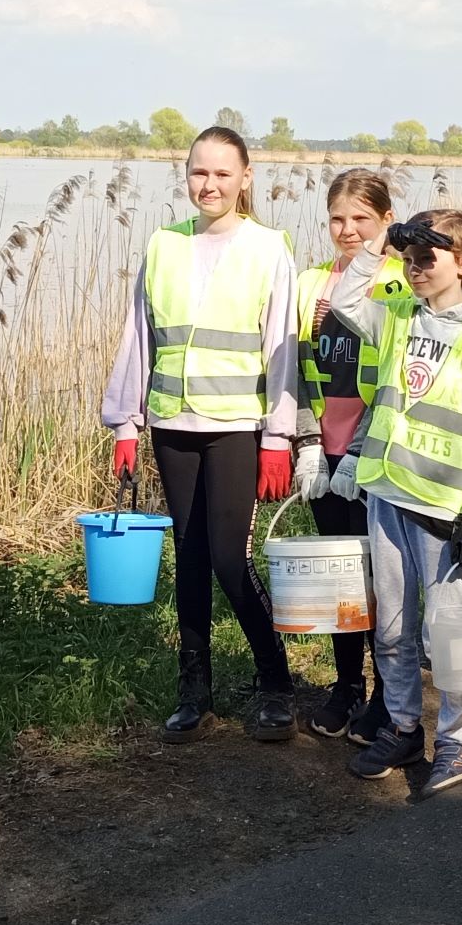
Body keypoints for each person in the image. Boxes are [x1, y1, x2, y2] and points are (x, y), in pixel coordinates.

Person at [101, 125, 300, 744]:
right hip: (172, 423)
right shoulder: (162, 245)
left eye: (221, 173)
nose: (208, 185)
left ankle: (274, 683)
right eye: (198, 173)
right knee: (187, 558)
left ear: (244, 178)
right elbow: (138, 335)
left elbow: (281, 350)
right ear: (185, 177)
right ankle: (195, 690)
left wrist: (278, 437)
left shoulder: (270, 249)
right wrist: (125, 421)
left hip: (237, 426)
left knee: (225, 557)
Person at [328, 208, 462, 795]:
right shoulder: (399, 318)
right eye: (408, 258)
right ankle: (405, 727)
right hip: (386, 493)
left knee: (447, 635)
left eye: (427, 258)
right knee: (391, 628)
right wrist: (385, 238)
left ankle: (458, 743)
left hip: (443, 511)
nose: (414, 268)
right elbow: (345, 298)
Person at [291, 168, 408, 741]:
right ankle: (346, 687)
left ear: (386, 220)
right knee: (342, 580)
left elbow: (398, 375)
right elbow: (293, 371)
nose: (348, 229)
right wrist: (309, 445)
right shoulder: (308, 281)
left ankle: (389, 695)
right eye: (338, 218)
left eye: (361, 218)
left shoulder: (400, 282)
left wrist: (365, 452)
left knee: (385, 583)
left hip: (378, 458)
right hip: (325, 456)